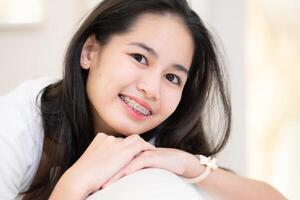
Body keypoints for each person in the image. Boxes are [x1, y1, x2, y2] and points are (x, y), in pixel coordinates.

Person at [0, 0, 287, 199]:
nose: (152, 90)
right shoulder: (18, 124)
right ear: (89, 52)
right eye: (139, 58)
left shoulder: (158, 139)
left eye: (172, 78)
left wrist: (189, 166)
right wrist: (75, 183)